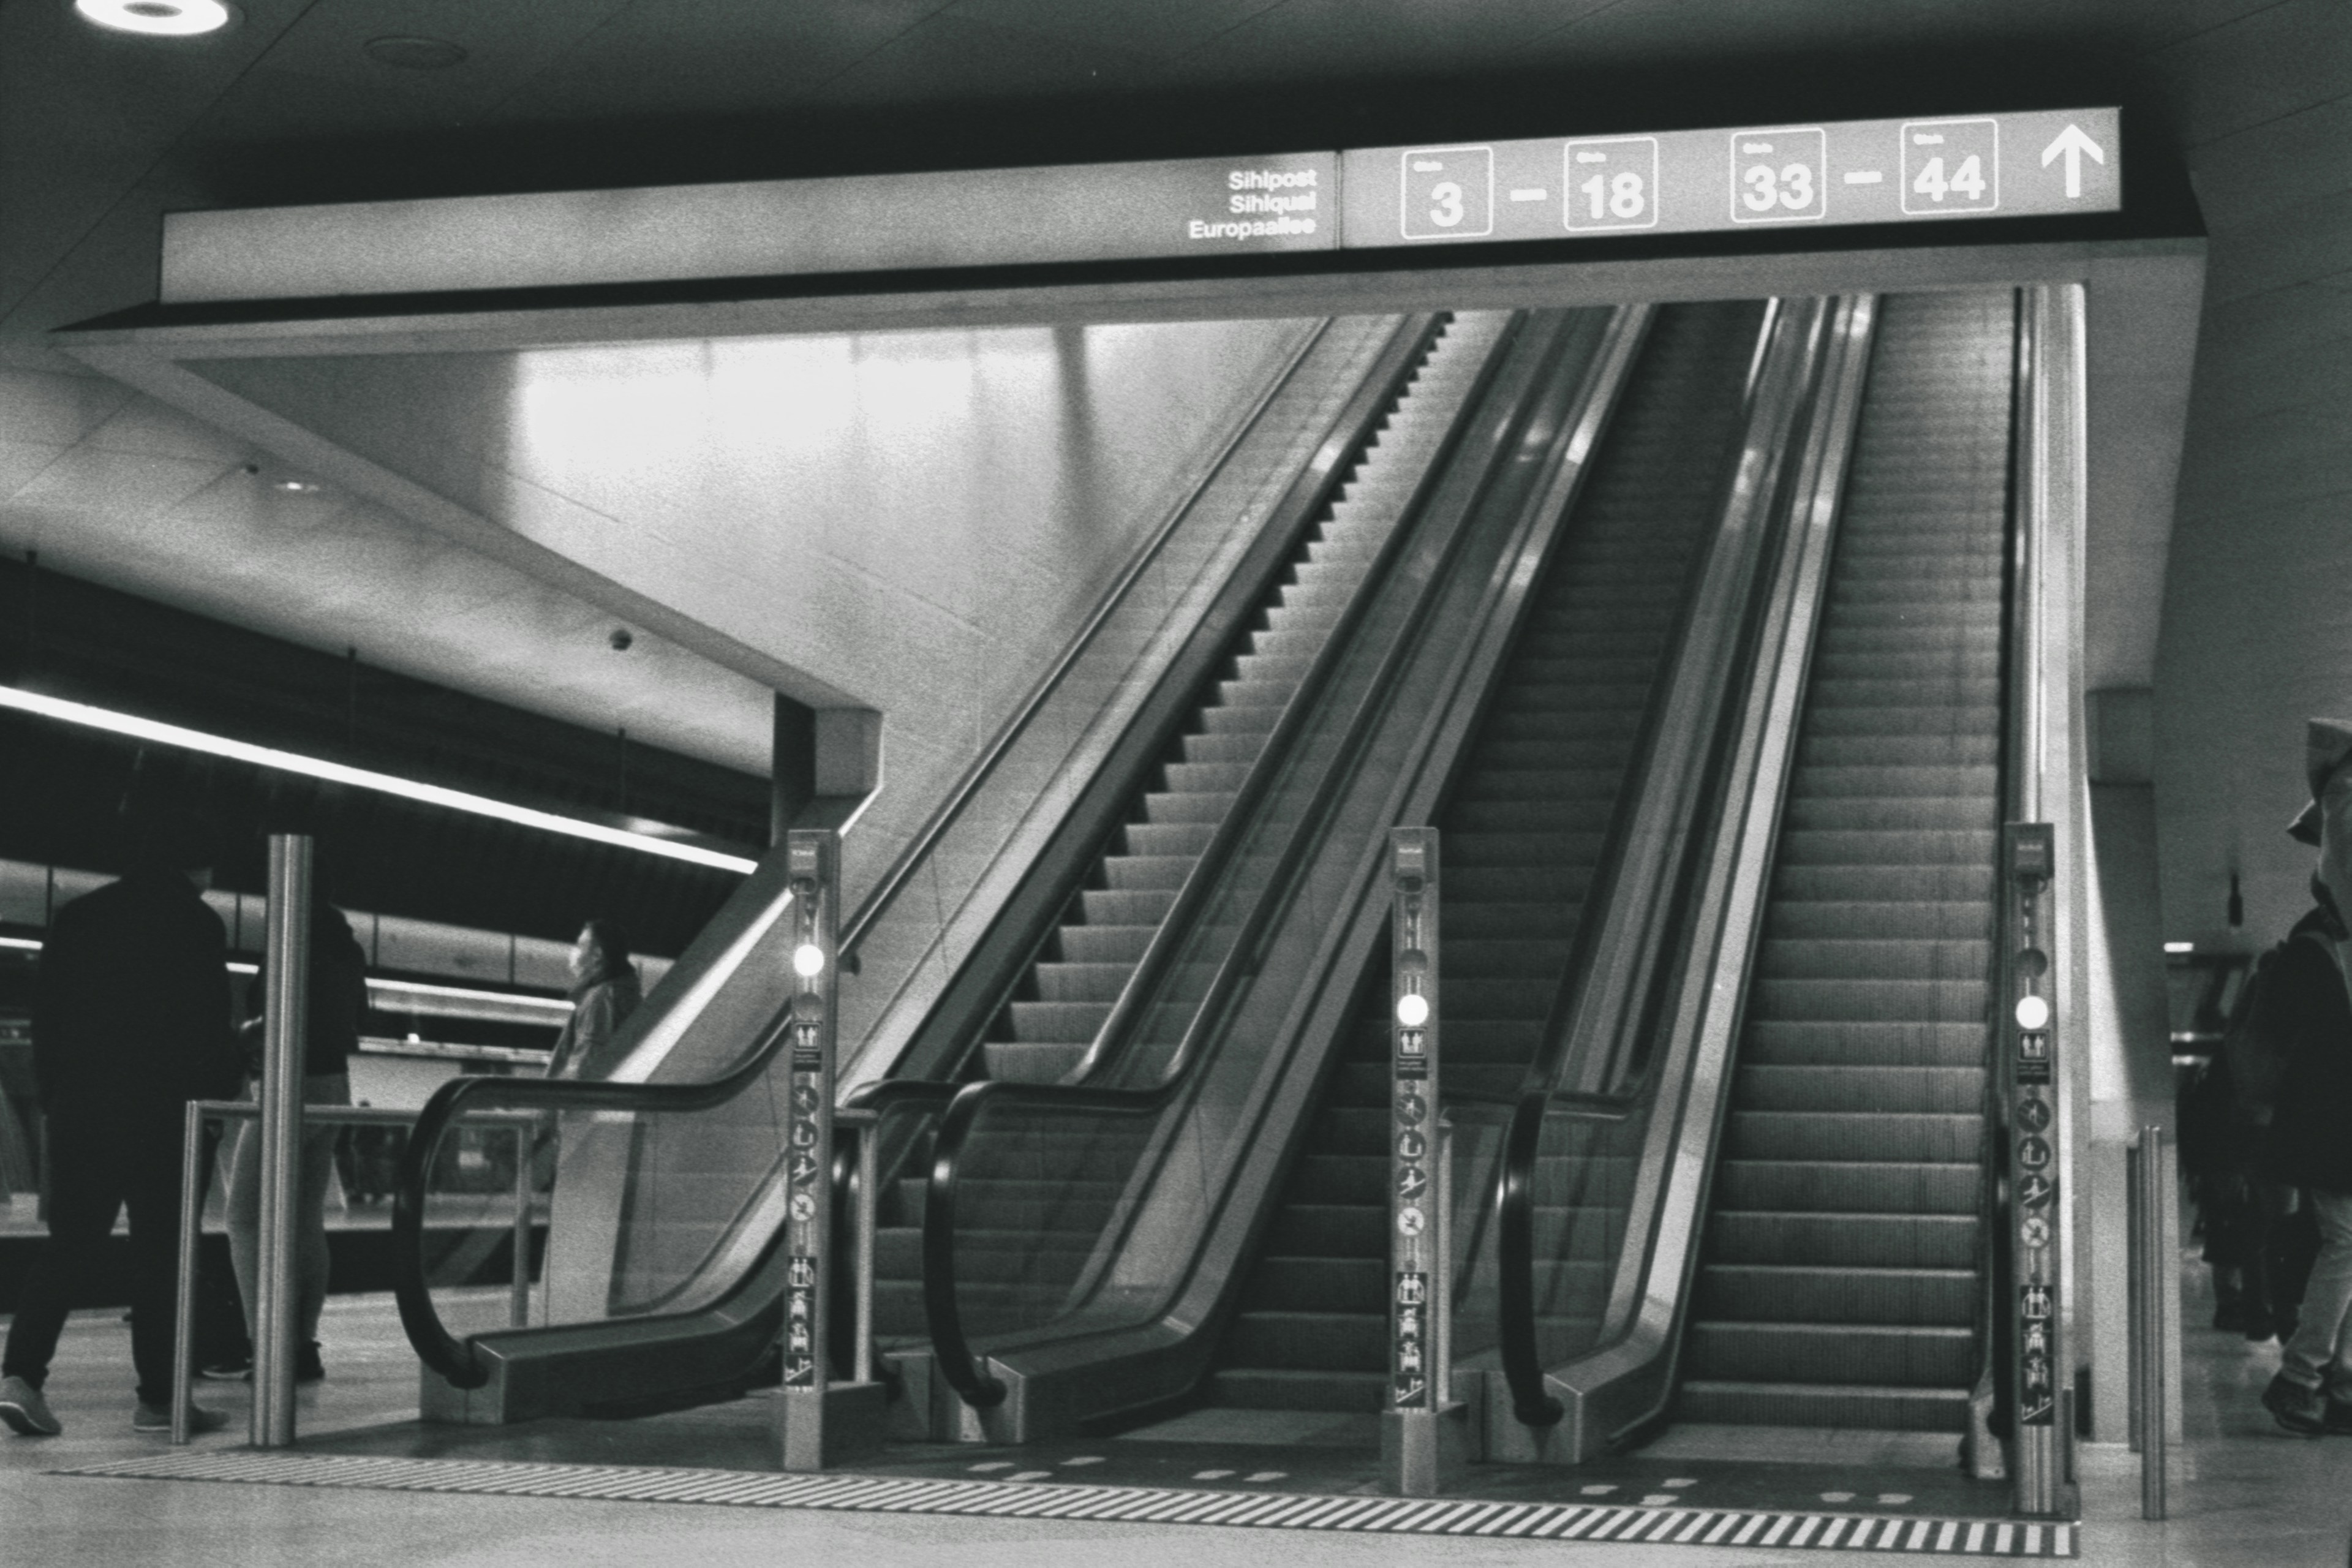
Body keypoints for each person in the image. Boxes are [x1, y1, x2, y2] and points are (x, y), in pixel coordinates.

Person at [0, 810, 243, 1437]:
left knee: (70, 1243)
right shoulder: (197, 922)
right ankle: (160, 1400)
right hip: (166, 1114)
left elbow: (46, 1018)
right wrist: (215, 1105)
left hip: (83, 1107)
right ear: (196, 864)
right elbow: (210, 1028)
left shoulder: (79, 916)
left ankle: (21, 1375)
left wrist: (57, 1098)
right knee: (161, 1255)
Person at [205, 899, 366, 1384]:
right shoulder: (345, 952)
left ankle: (268, 1346)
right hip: (334, 1087)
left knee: (246, 1217)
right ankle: (302, 1345)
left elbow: (278, 1021)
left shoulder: (295, 947)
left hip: (289, 1087)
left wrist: (242, 1039)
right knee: (304, 1219)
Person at [2256, 718, 2352, 1436]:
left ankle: (2330, 1377)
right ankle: (2302, 1374)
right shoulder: (2312, 953)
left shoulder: (2314, 952)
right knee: (2347, 1245)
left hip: (2332, 1124)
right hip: (2334, 1128)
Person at [543, 919, 641, 1081]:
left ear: (597, 954)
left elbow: (586, 1062)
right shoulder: (610, 993)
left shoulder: (602, 998)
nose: (574, 952)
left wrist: (556, 1098)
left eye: (580, 946)